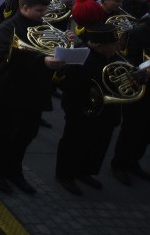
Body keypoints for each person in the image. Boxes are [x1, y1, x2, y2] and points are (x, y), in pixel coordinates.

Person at [0, 0, 66, 195]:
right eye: (39, 10)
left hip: (35, 89)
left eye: (44, 11)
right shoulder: (7, 28)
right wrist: (43, 60)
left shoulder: (42, 26)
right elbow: (8, 56)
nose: (42, 15)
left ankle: (15, 170)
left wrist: (64, 44)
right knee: (4, 132)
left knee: (26, 133)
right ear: (24, 8)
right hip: (9, 87)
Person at [55, 24, 139, 195]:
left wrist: (138, 77)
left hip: (108, 110)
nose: (117, 48)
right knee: (74, 142)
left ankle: (85, 171)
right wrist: (88, 91)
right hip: (81, 107)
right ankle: (65, 175)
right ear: (98, 45)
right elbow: (62, 80)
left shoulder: (116, 57)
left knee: (98, 143)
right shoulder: (79, 55)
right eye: (113, 45)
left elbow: (128, 74)